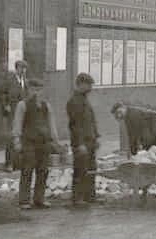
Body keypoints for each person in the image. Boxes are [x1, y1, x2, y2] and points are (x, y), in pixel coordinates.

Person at [12, 78, 62, 209]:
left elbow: (52, 125)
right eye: (34, 90)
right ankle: (24, 201)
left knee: (43, 171)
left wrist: (56, 142)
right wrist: (17, 140)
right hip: (29, 142)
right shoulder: (22, 105)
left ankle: (39, 199)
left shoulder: (46, 106)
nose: (37, 93)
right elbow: (17, 123)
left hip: (43, 143)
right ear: (28, 90)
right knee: (27, 170)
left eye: (39, 90)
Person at [66, 73, 99, 207]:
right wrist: (80, 143)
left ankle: (90, 196)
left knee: (91, 169)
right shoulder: (74, 102)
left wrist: (96, 136)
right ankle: (78, 198)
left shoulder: (85, 100)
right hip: (81, 143)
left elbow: (91, 121)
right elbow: (75, 125)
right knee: (80, 169)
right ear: (80, 84)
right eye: (88, 85)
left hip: (90, 141)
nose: (90, 88)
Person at [0, 60, 29, 169]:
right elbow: (0, 93)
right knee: (11, 137)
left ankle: (19, 163)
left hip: (23, 113)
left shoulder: (25, 81)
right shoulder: (9, 81)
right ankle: (9, 163)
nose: (23, 71)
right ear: (16, 69)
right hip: (12, 112)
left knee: (21, 137)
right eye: (21, 68)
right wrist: (5, 105)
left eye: (25, 69)